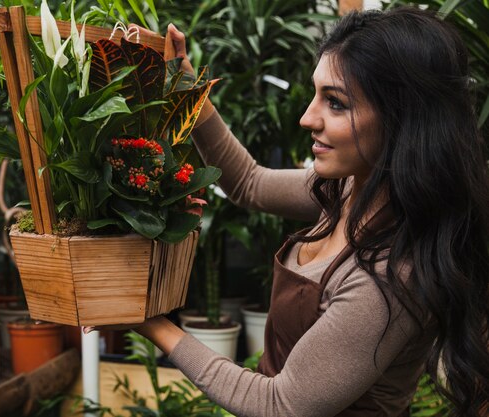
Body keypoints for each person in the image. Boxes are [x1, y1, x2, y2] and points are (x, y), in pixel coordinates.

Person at [87, 7, 489, 416]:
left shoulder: (388, 274)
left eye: (335, 103)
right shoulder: (345, 191)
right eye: (315, 94)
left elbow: (279, 404)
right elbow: (249, 182)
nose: (306, 118)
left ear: (401, 117)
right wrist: (186, 85)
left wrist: (149, 322)